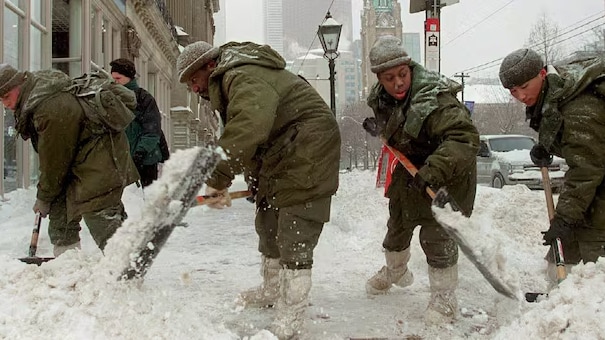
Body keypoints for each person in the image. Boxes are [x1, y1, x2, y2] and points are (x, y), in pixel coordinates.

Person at [176, 41, 340, 339]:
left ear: (209, 67)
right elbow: (255, 140)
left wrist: (218, 177)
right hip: (282, 150)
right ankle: (272, 287)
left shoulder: (242, 75)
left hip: (307, 149)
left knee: (295, 230)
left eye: (193, 80)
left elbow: (250, 127)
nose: (194, 89)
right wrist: (255, 183)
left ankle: (292, 311)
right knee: (268, 220)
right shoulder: (233, 79)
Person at [362, 35, 480, 324]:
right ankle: (396, 271)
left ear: (410, 67)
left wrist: (434, 170)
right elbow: (400, 129)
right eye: (389, 78)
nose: (398, 82)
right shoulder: (381, 97)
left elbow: (464, 139)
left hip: (449, 173)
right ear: (380, 78)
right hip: (412, 169)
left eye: (402, 74)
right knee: (398, 223)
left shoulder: (436, 98)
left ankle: (444, 299)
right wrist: (382, 128)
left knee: (436, 235)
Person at [0, 63, 139, 256]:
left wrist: (43, 196)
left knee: (99, 212)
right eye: (1, 99)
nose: (5, 104)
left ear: (20, 85)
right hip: (82, 158)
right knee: (61, 211)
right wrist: (49, 196)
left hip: (100, 160)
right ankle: (67, 263)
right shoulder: (37, 97)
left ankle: (128, 265)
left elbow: (54, 162)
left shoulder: (48, 108)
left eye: (7, 96)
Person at [499, 48, 605, 284]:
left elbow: (586, 169)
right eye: (513, 91)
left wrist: (565, 218)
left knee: (594, 252)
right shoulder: (555, 97)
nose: (521, 96)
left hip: (598, 190)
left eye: (525, 86)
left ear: (543, 74)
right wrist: (547, 146)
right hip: (593, 183)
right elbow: (574, 143)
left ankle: (591, 309)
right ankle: (560, 301)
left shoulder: (578, 109)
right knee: (561, 252)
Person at [110, 58, 169, 187]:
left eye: (118, 78)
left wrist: (140, 153)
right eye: (113, 78)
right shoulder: (112, 98)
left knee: (146, 197)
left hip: (146, 160)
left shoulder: (144, 99)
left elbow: (152, 130)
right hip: (122, 160)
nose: (114, 82)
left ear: (129, 78)